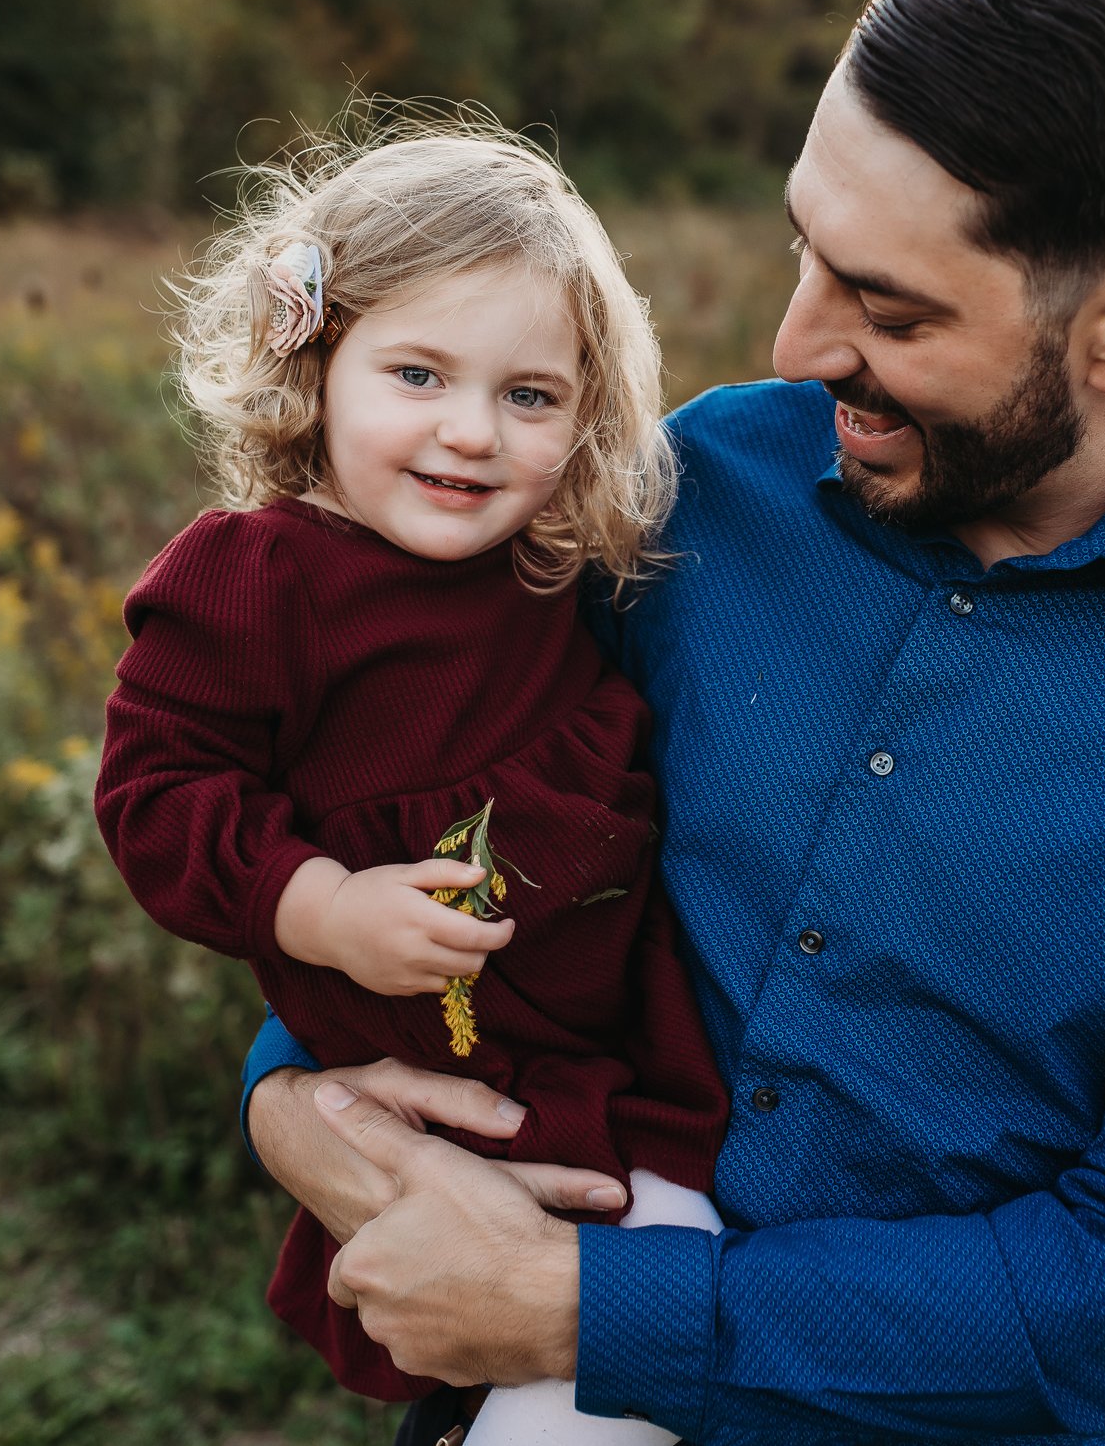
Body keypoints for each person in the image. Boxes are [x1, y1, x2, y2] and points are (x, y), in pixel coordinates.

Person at [244, 0, 1105, 1442]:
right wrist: (292, 1098)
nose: (794, 344)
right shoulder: (704, 479)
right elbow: (415, 810)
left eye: (891, 310)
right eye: (807, 252)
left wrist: (587, 1310)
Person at [94, 130, 730, 1446]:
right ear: (313, 364)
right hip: (440, 1098)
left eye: (531, 396)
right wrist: (319, 906)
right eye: (418, 373)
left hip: (619, 1085)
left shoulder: (552, 573)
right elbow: (153, 787)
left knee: (646, 1312)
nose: (469, 432)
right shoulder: (258, 575)